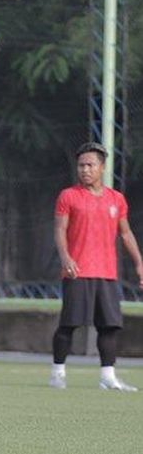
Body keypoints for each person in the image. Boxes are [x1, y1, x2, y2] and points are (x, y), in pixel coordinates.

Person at [49, 142, 143, 391]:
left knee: (109, 326)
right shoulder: (68, 196)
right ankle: (58, 372)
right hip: (77, 271)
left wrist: (139, 263)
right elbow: (59, 229)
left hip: (107, 273)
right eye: (81, 165)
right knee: (69, 324)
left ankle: (107, 377)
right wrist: (66, 257)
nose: (85, 170)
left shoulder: (116, 199)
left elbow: (126, 234)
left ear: (102, 167)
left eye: (90, 165)